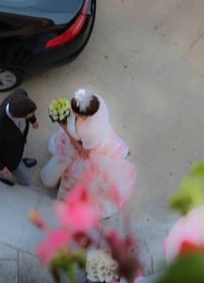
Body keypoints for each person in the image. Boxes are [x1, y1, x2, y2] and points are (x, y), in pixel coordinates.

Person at [40, 89, 136, 219]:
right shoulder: (97, 100)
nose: (71, 112)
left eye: (73, 112)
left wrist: (64, 127)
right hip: (96, 138)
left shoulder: (88, 130)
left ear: (84, 116)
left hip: (85, 148)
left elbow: (86, 151)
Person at [0, 89, 39, 186]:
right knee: (28, 182)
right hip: (7, 158)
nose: (32, 115)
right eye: (30, 115)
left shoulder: (21, 94)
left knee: (18, 158)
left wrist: (33, 121)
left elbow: (29, 110)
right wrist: (0, 167)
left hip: (16, 147)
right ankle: (1, 176)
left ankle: (20, 162)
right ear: (18, 116)